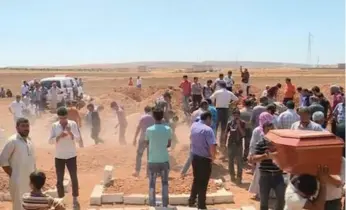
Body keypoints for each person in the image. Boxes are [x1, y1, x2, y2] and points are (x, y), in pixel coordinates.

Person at [49, 107, 81, 209]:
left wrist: (70, 132)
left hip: (71, 155)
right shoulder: (54, 126)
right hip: (59, 156)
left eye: (65, 118)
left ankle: (75, 198)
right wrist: (58, 136)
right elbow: (50, 141)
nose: (63, 120)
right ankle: (61, 199)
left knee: (73, 177)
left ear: (67, 116)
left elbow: (78, 138)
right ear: (58, 117)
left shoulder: (73, 124)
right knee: (59, 179)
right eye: (61, 118)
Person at [0, 118, 36, 210]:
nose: (26, 128)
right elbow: (3, 160)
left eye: (27, 126)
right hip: (18, 181)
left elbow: (32, 161)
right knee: (18, 206)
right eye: (23, 126)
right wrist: (14, 175)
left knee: (29, 205)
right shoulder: (12, 141)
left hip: (30, 181)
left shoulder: (29, 141)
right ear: (17, 128)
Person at [250, 121, 285, 210]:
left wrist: (278, 155)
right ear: (264, 131)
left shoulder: (280, 144)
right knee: (264, 202)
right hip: (265, 176)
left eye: (272, 129)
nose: (270, 131)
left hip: (278, 175)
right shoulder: (260, 143)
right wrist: (265, 156)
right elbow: (254, 158)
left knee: (281, 199)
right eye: (268, 130)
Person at [188, 111, 217, 209]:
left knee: (196, 179)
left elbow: (190, 138)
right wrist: (213, 158)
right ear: (208, 118)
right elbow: (212, 146)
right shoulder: (208, 130)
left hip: (195, 157)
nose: (211, 121)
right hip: (205, 159)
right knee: (203, 183)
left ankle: (191, 200)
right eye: (211, 119)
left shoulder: (194, 125)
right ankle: (201, 205)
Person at [145, 107, 172, 207]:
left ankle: (152, 205)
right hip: (164, 160)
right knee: (165, 183)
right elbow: (169, 144)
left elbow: (147, 143)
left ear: (153, 116)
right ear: (162, 116)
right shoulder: (168, 129)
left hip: (152, 160)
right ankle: (165, 205)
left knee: (152, 183)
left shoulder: (149, 130)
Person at [248, 112, 275, 199]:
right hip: (265, 155)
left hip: (262, 155)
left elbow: (252, 143)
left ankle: (262, 193)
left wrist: (252, 154)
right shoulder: (273, 129)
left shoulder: (258, 130)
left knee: (262, 174)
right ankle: (264, 193)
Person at [210, 81, 238, 148]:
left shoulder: (217, 92)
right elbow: (236, 99)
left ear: (219, 86)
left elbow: (211, 98)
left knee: (216, 127)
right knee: (223, 127)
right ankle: (222, 143)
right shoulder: (229, 93)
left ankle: (214, 142)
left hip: (218, 110)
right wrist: (231, 104)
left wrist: (214, 103)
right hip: (226, 110)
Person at [132, 106, 155, 177]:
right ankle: (148, 173)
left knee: (139, 155)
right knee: (149, 156)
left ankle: (137, 171)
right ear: (150, 110)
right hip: (150, 139)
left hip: (142, 138)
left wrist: (134, 138)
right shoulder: (153, 118)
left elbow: (138, 128)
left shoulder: (142, 117)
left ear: (145, 111)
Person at [225, 109, 245, 184]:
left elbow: (243, 134)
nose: (236, 116)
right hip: (230, 144)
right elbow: (226, 134)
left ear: (239, 116)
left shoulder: (242, 123)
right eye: (235, 115)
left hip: (239, 144)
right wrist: (224, 144)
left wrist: (239, 126)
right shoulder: (230, 123)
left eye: (238, 115)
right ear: (233, 115)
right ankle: (232, 176)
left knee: (239, 162)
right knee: (230, 161)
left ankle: (239, 177)